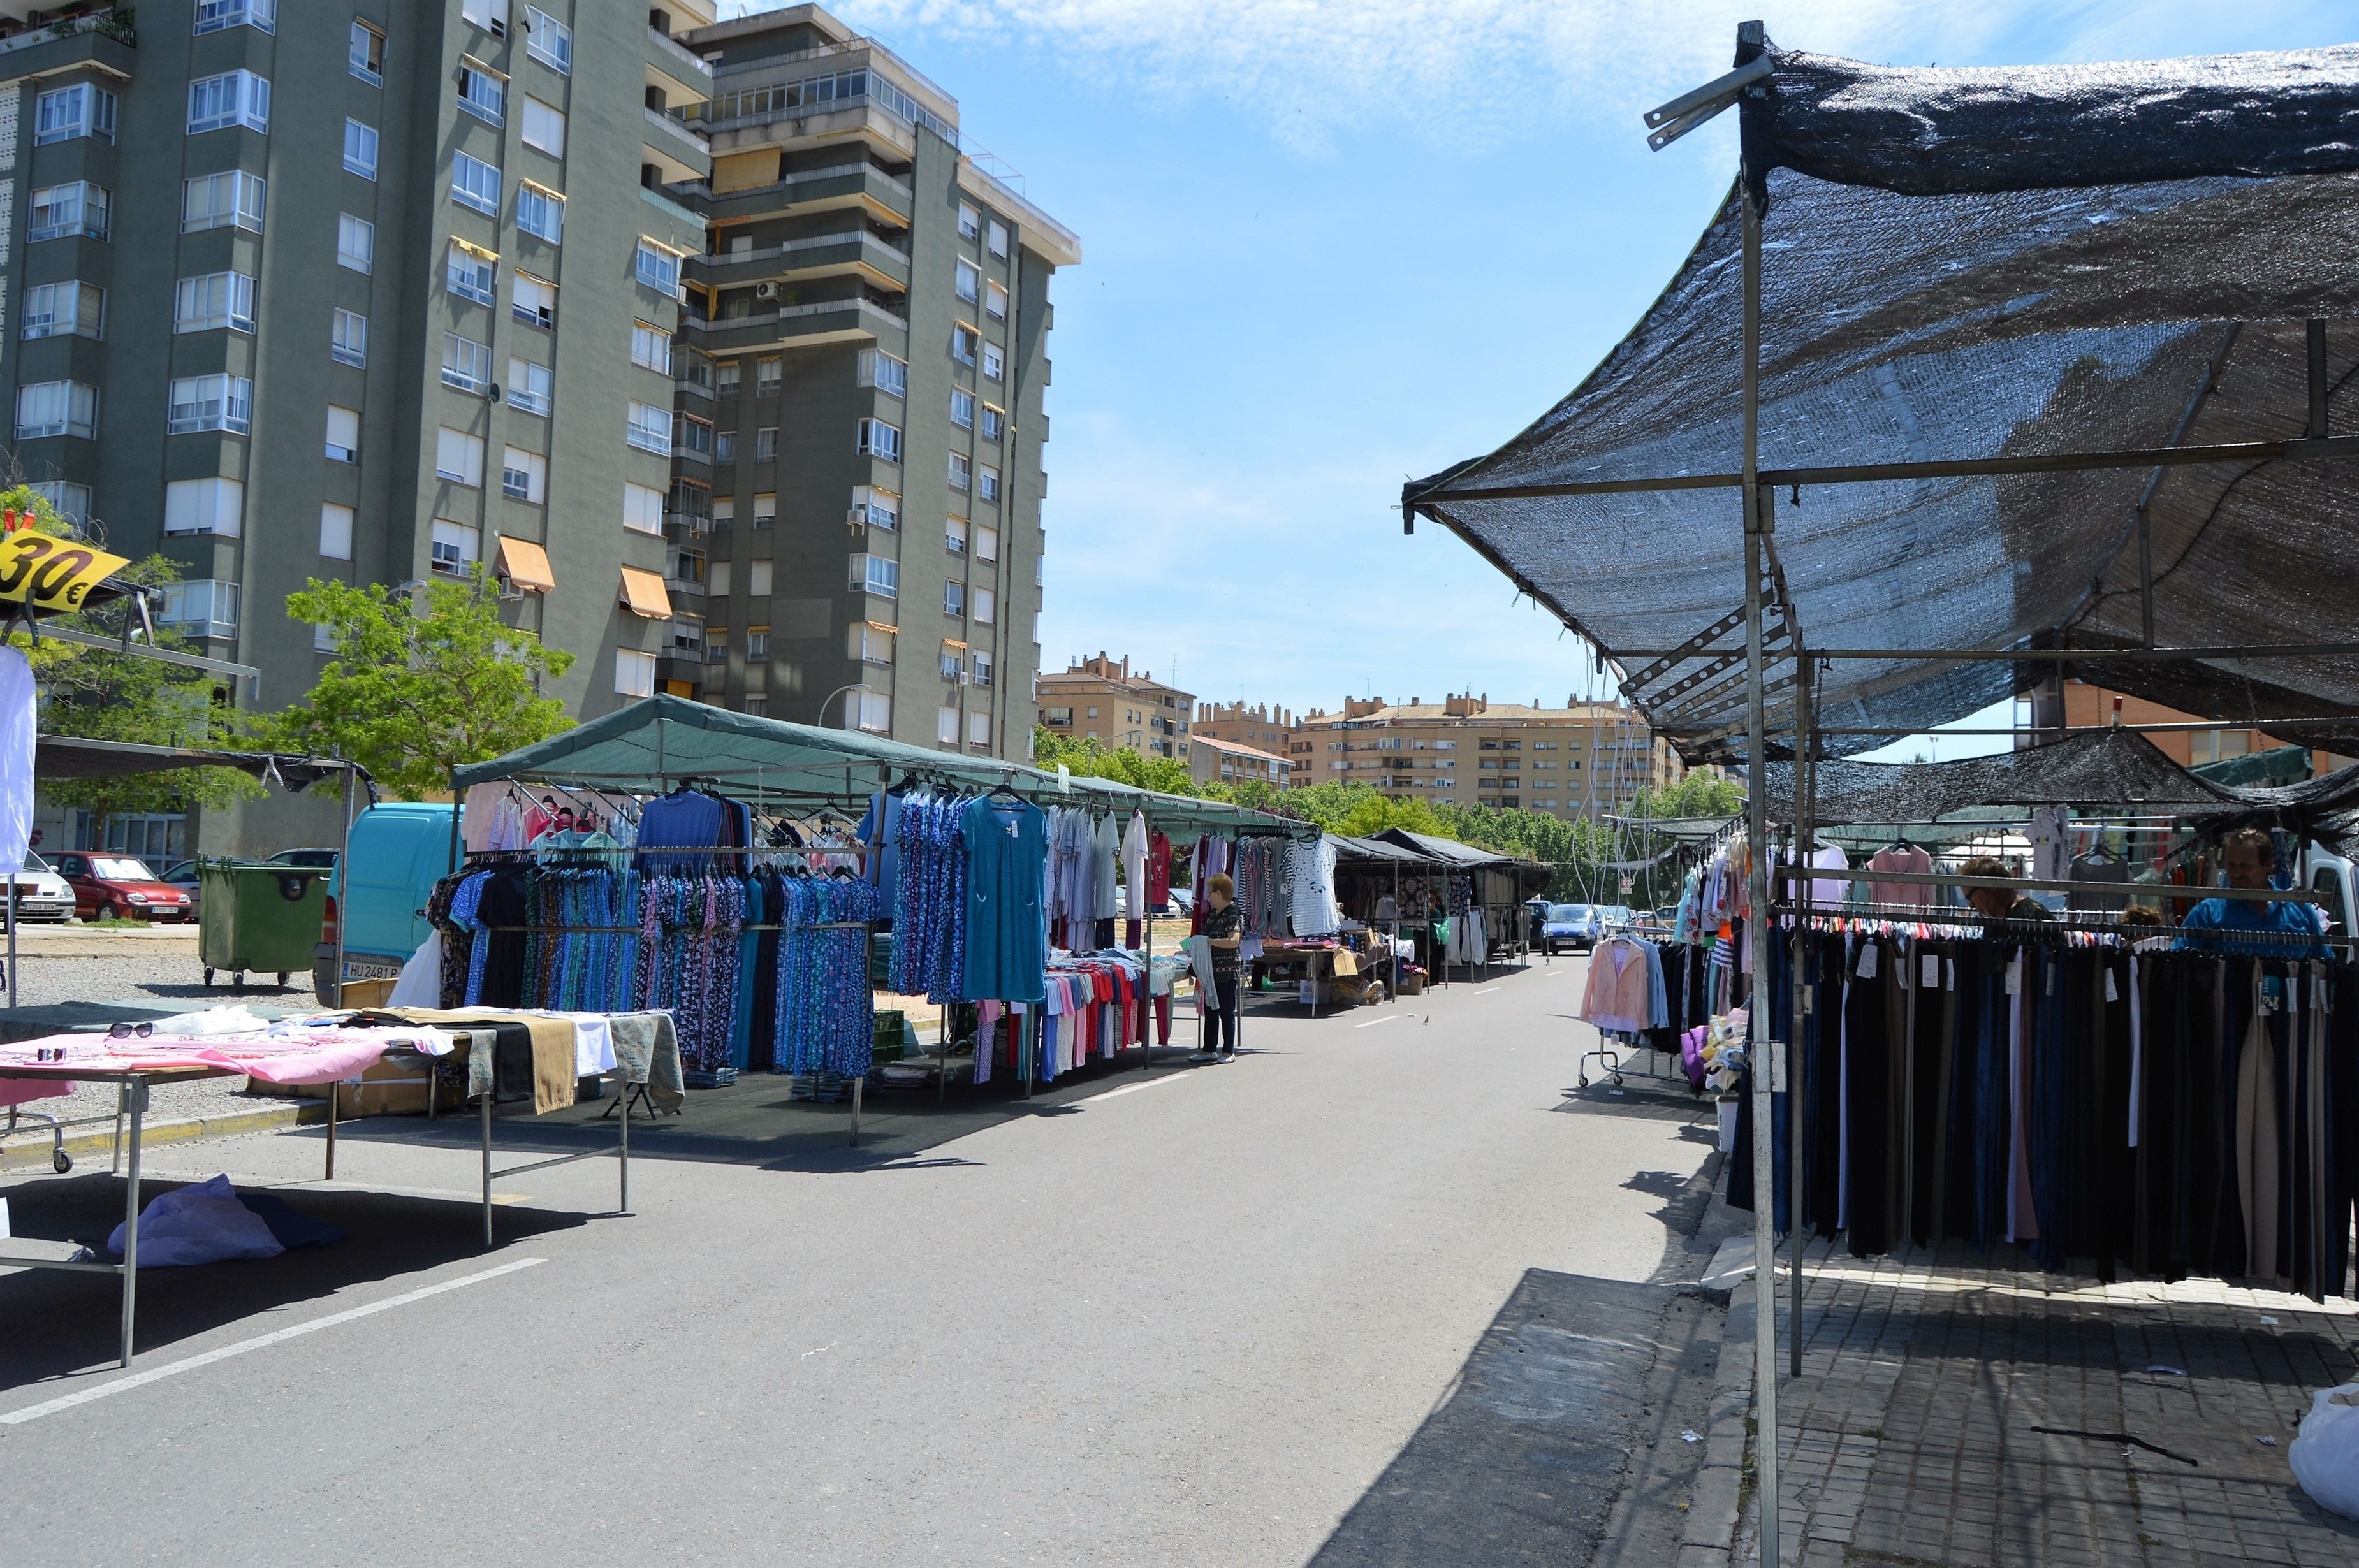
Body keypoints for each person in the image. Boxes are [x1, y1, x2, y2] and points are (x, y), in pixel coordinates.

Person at [2177, 827, 2324, 956]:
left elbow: (2325, 962)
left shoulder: (2300, 911)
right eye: (2231, 866)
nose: (2236, 873)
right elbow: (2178, 960)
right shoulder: (2207, 914)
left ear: (2267, 865)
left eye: (2245, 866)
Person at [1194, 871, 1243, 1063]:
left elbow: (1233, 941)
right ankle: (1208, 1050)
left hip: (1227, 971)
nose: (1209, 897)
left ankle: (1228, 1051)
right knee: (1211, 1011)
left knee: (1226, 1011)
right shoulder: (1214, 914)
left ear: (1219, 893)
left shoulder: (1233, 914)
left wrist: (1209, 942)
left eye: (1210, 893)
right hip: (1211, 972)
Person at [1961, 855, 2054, 922]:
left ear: (1990, 888)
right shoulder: (1996, 918)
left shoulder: (2029, 915)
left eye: (1970, 899)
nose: (1971, 906)